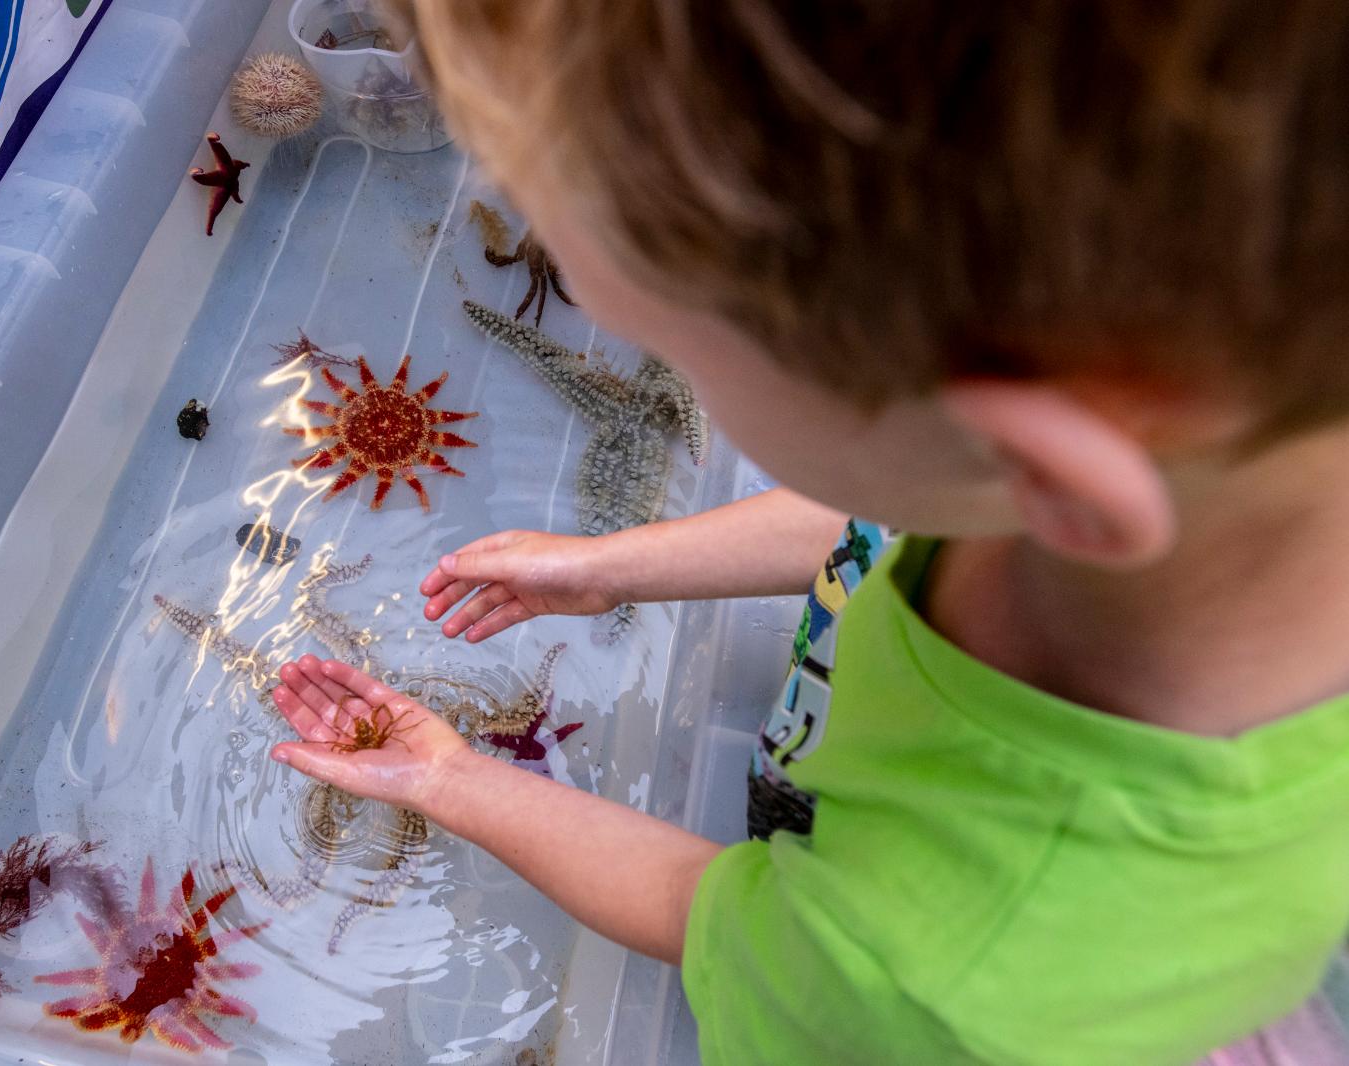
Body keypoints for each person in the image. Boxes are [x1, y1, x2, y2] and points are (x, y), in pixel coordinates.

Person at [270, 3, 1349, 1062]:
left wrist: (448, 780)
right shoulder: (1227, 470)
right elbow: (881, 511)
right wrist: (608, 568)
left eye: (683, 351)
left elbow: (717, 917)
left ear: (1033, 465)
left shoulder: (931, 969)